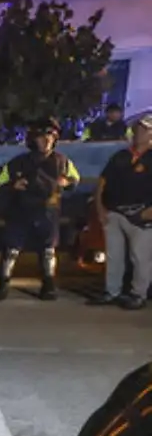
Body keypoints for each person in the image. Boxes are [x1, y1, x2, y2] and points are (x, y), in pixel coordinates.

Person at [0, 117, 79, 302]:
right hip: (21, 211)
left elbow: (75, 180)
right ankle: (3, 285)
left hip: (48, 211)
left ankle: (48, 286)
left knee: (48, 251)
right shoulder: (18, 162)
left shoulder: (62, 162)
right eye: (42, 136)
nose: (47, 140)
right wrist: (13, 185)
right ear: (33, 139)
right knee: (11, 249)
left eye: (51, 136)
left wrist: (67, 182)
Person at [88, 113, 152, 311]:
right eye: (137, 129)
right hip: (114, 212)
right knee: (114, 255)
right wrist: (100, 208)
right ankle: (112, 291)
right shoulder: (121, 156)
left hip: (142, 214)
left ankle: (138, 294)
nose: (138, 132)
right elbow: (102, 182)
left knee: (140, 257)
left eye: (144, 129)